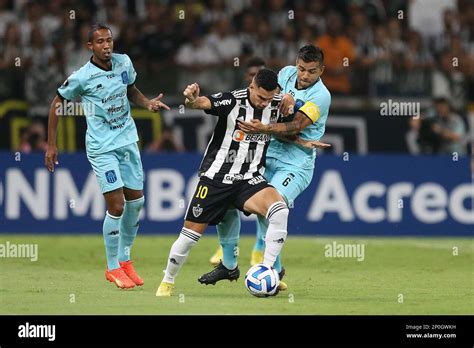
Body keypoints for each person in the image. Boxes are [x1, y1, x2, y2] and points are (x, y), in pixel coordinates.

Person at [156, 69, 313, 297]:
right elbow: (202, 103)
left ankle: (267, 270)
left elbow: (296, 114)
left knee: (279, 210)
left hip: (250, 179)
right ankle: (167, 281)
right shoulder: (232, 100)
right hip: (216, 179)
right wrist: (191, 99)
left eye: (269, 98)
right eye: (261, 97)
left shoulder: (278, 103)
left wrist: (301, 138)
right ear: (251, 86)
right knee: (188, 238)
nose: (264, 103)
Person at [44, 23, 170, 289]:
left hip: (127, 142)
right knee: (117, 206)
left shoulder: (124, 63)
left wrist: (147, 103)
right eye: (100, 42)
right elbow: (57, 103)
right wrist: (51, 145)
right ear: (90, 46)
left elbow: (131, 90)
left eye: (109, 40)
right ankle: (112, 267)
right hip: (102, 148)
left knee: (136, 203)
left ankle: (125, 261)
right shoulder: (83, 76)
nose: (106, 46)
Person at [198, 44, 331, 292]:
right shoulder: (286, 73)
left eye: (312, 71)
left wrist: (264, 128)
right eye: (302, 68)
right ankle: (230, 264)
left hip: (296, 163)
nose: (304, 75)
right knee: (225, 198)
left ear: (321, 70)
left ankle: (271, 269)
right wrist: (285, 97)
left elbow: (296, 126)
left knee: (272, 207)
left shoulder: (321, 96)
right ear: (296, 63)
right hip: (266, 155)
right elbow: (271, 97)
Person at [209, 56, 267, 266]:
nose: (255, 79)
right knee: (228, 205)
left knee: (266, 208)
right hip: (235, 162)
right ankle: (226, 248)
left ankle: (260, 249)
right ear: (247, 78)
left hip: (262, 161)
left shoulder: (274, 102)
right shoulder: (235, 100)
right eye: (252, 75)